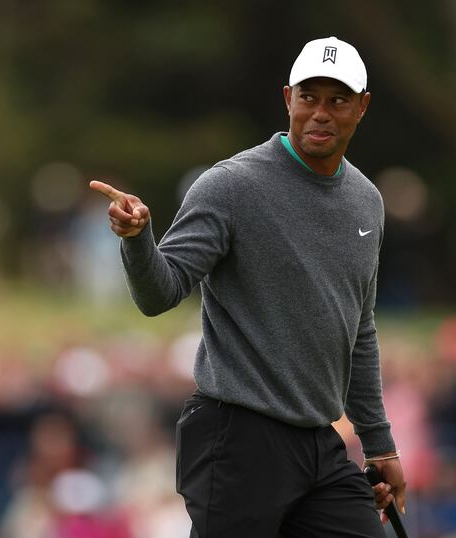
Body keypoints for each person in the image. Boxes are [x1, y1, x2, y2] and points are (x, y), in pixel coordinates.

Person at [91, 36, 406, 538]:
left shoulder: (367, 202)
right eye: (309, 97)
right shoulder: (231, 186)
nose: (320, 113)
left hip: (318, 443)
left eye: (337, 100)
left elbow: (358, 330)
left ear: (362, 107)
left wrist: (379, 444)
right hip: (236, 435)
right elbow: (160, 293)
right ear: (288, 99)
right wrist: (136, 239)